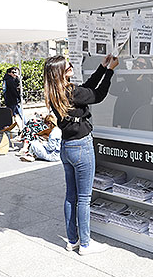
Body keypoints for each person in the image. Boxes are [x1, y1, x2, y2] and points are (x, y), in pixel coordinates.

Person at [44, 54, 118, 255]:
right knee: (84, 198)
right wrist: (110, 71)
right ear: (61, 71)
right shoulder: (70, 91)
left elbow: (86, 88)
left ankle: (72, 240)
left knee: (71, 196)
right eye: (67, 65)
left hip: (66, 148)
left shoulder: (56, 92)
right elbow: (97, 95)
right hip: (81, 147)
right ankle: (85, 244)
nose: (70, 65)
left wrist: (102, 68)